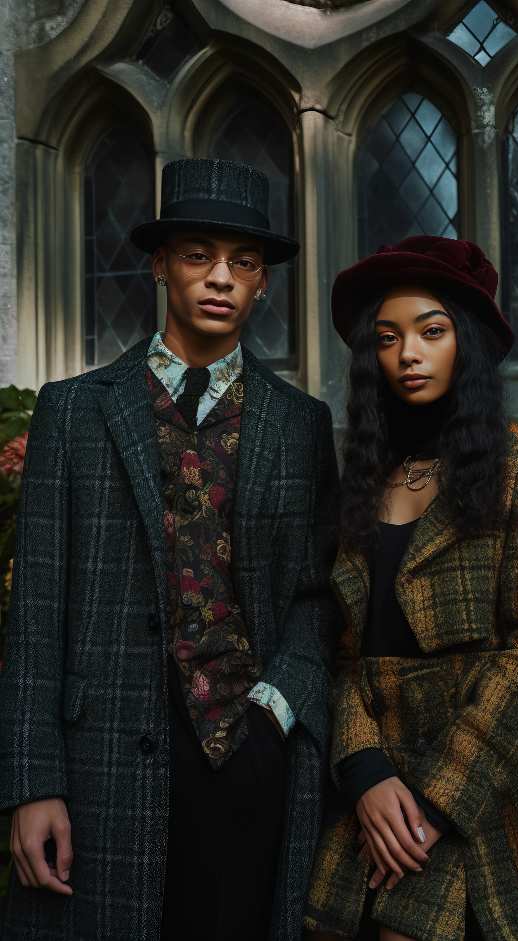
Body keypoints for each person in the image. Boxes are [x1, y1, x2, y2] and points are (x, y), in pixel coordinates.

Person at [0, 158, 339, 941]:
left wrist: (274, 711)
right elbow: (36, 609)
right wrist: (32, 782)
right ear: (158, 265)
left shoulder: (301, 424)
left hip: (251, 754)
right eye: (197, 254)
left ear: (261, 284)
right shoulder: (74, 412)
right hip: (102, 760)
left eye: (243, 262)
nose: (220, 277)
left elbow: (317, 596)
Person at [304, 237, 518, 940]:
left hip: (479, 777)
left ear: (464, 342)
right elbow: (334, 650)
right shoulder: (353, 489)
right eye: (387, 338)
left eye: (430, 331)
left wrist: (435, 800)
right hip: (373, 779)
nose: (407, 353)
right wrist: (363, 767)